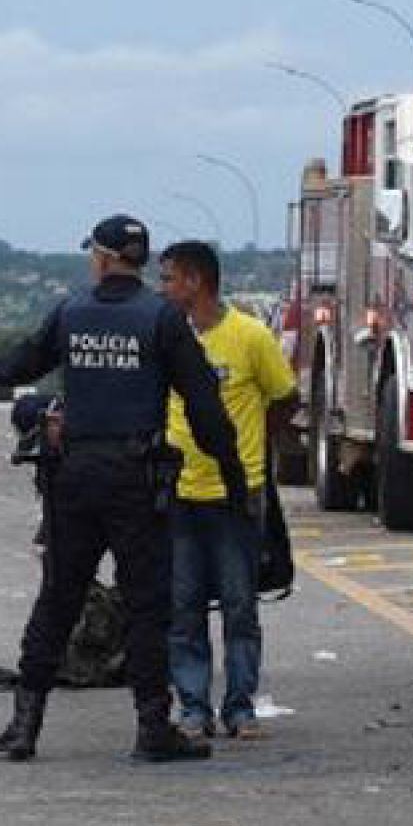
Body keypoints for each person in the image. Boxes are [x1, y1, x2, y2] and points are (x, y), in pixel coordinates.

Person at [0, 213, 248, 763]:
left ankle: (24, 726)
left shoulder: (72, 312)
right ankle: (152, 728)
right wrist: (233, 476)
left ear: (102, 258)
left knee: (59, 599)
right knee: (146, 605)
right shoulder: (162, 318)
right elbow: (204, 405)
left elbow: (27, 358)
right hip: (136, 480)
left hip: (74, 477)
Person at [158, 241, 297, 741]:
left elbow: (285, 397)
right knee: (184, 607)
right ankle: (194, 707)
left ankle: (240, 706)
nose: (163, 289)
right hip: (181, 493)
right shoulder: (166, 338)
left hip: (236, 495)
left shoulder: (249, 336)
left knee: (240, 606)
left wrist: (252, 446)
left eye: (169, 279)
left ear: (195, 282)